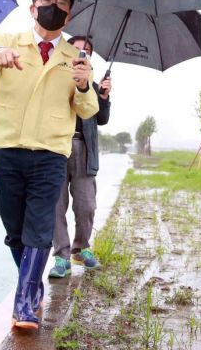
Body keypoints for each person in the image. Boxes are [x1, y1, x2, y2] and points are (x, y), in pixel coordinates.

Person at [0, 0, 98, 330]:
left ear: (68, 15)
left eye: (60, 2)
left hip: (50, 153)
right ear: (32, 8)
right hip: (8, 148)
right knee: (15, 232)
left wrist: (85, 84)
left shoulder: (77, 58)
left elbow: (87, 110)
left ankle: (24, 304)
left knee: (40, 229)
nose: (52, 5)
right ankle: (33, 286)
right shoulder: (10, 41)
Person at [49, 36, 112, 278]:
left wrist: (104, 96)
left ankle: (81, 248)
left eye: (86, 50)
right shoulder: (55, 80)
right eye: (76, 48)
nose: (81, 52)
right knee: (56, 204)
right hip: (56, 146)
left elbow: (103, 119)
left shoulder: (94, 87)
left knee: (86, 205)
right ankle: (62, 255)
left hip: (84, 150)